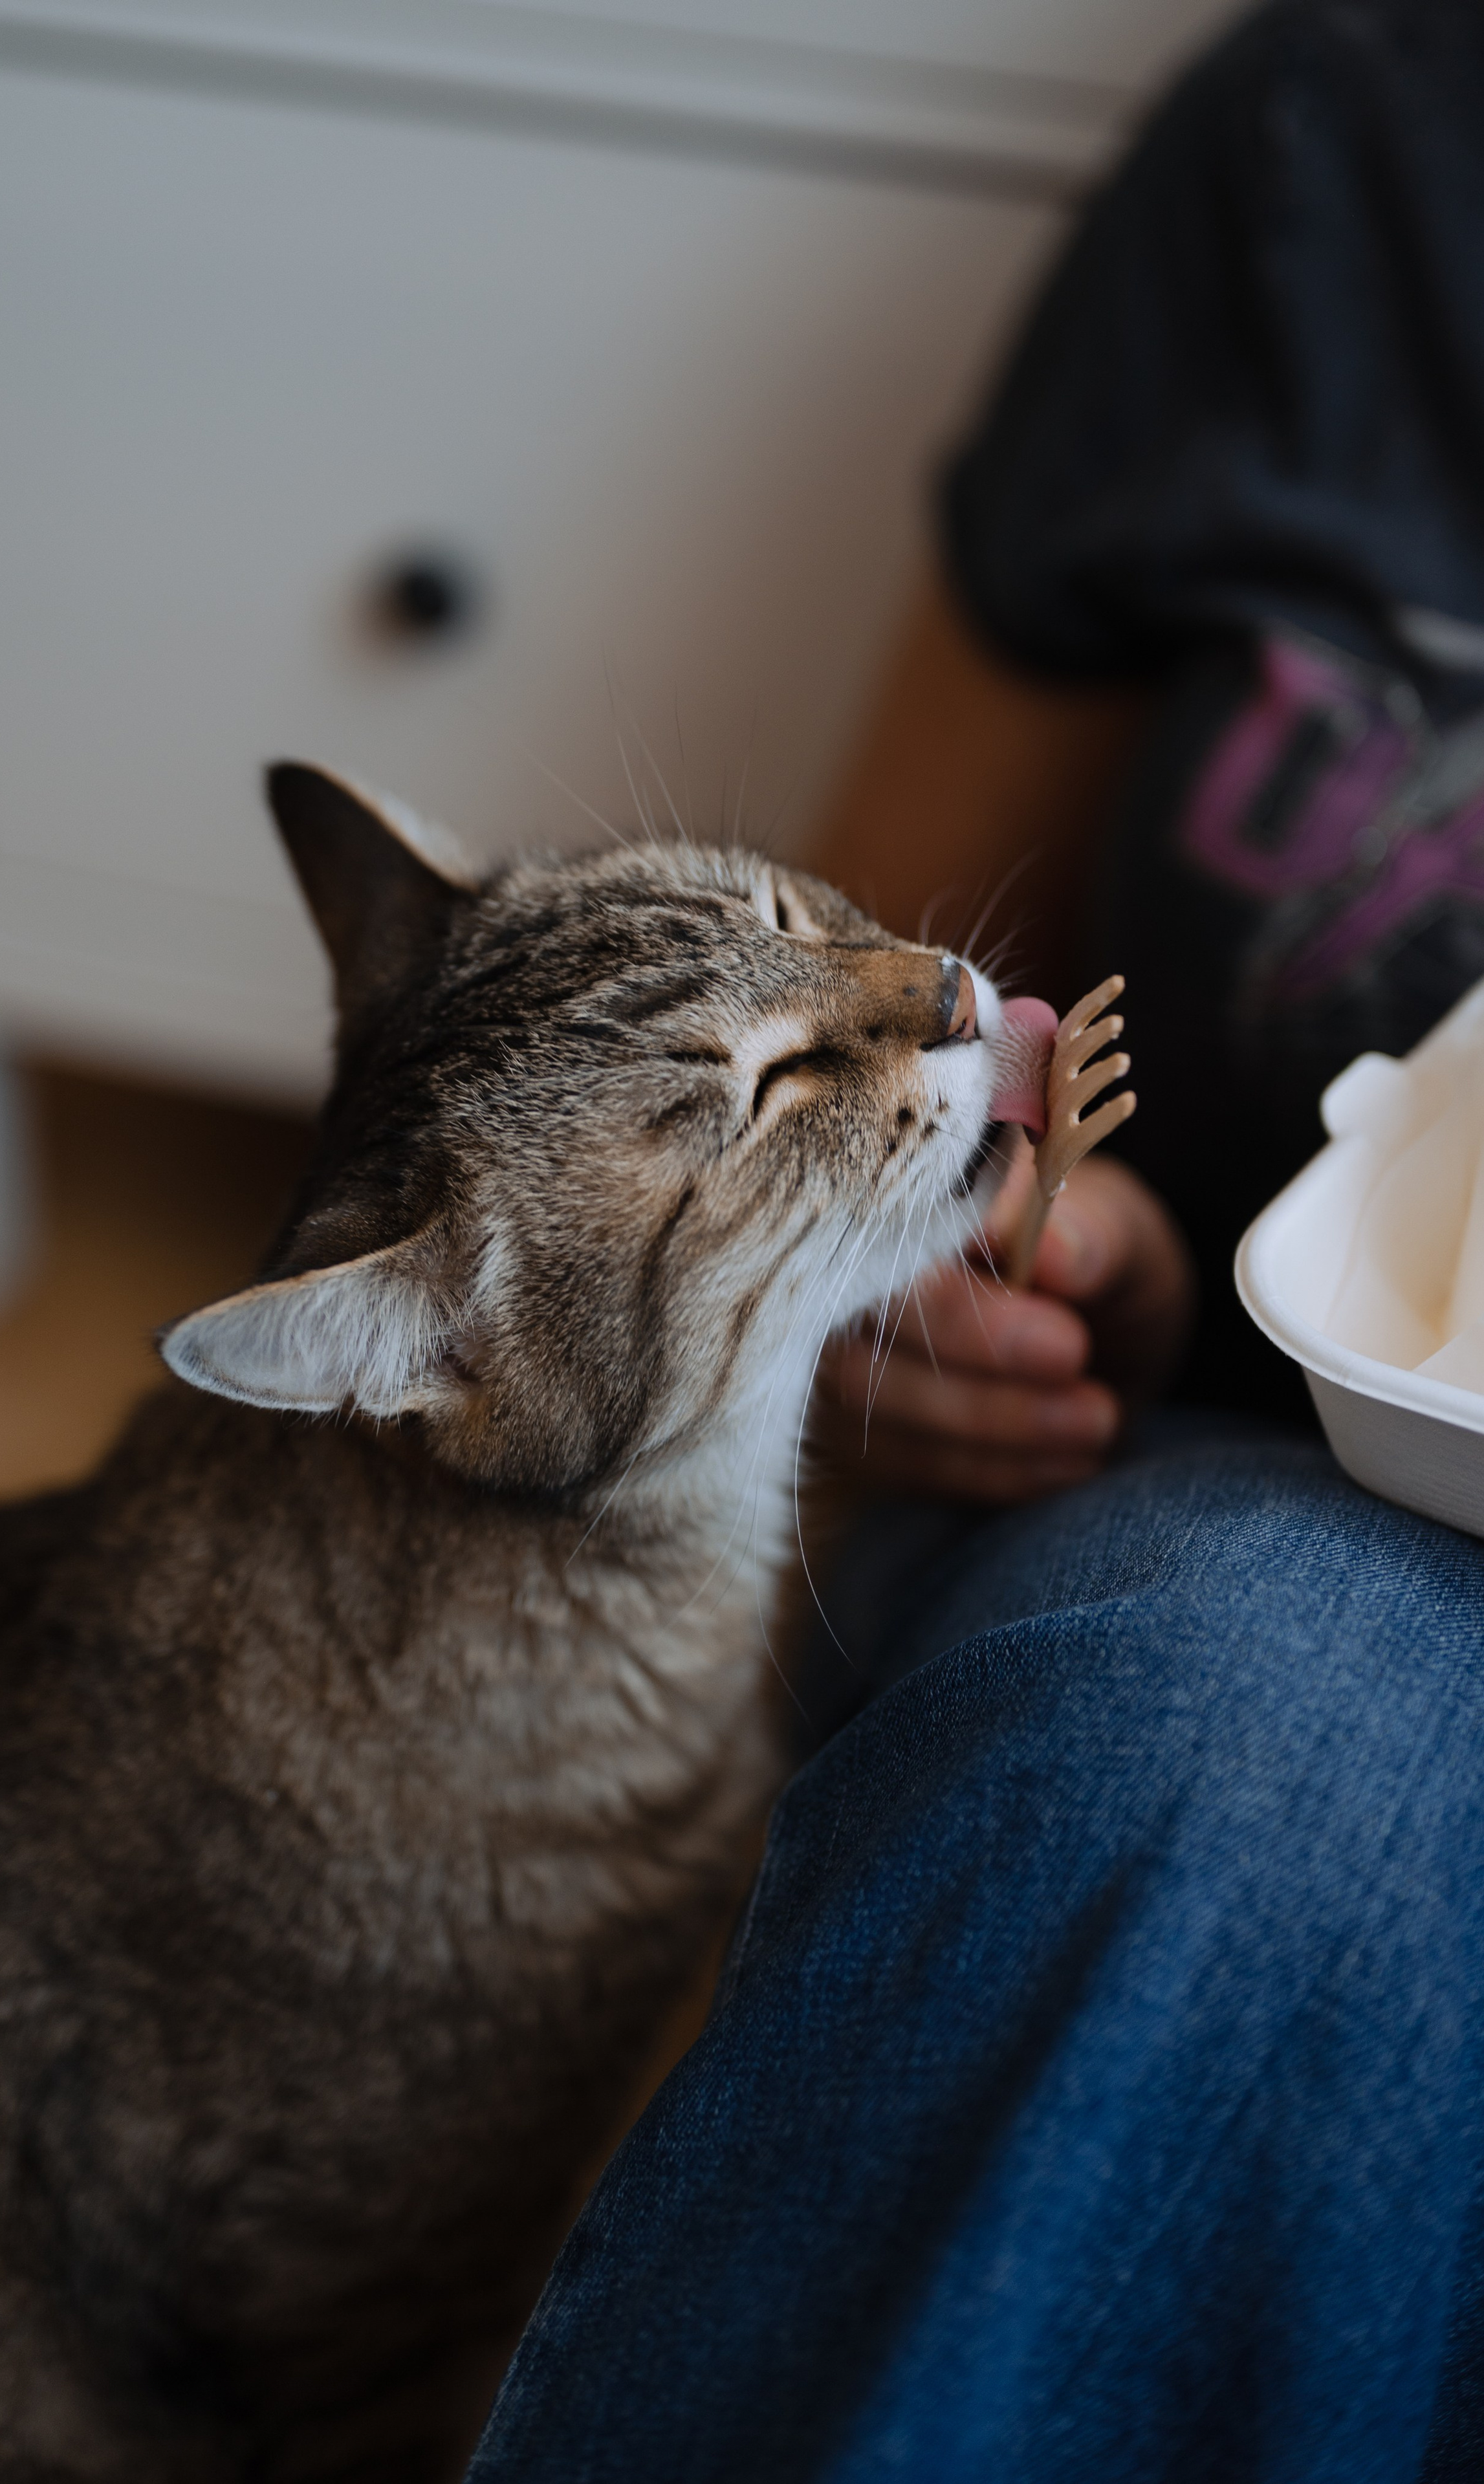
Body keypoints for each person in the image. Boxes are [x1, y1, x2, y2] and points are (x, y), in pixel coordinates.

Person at [466, 5, 1484, 2474]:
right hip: (1278, 1497)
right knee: (1234, 1772)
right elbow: (875, 970)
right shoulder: (1334, 147)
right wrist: (993, 1244)